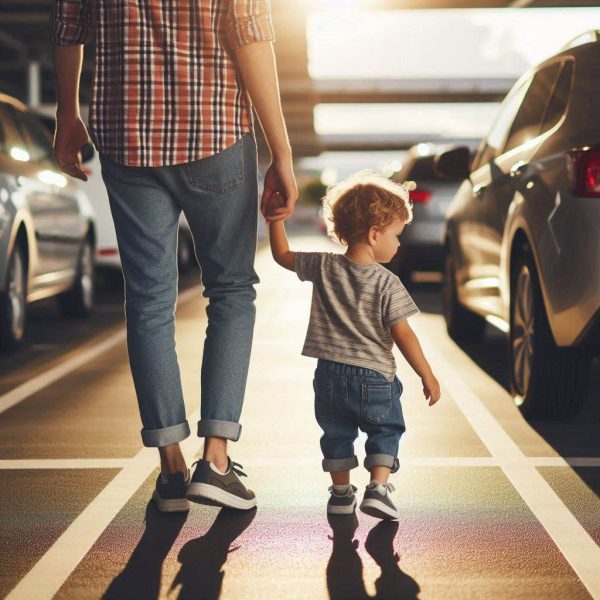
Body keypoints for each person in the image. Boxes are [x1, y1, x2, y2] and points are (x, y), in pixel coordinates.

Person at [50, 0, 297, 513]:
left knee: (148, 302)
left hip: (125, 136)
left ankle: (171, 469)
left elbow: (68, 25)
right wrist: (281, 152)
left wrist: (67, 113)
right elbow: (251, 36)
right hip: (214, 132)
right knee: (230, 290)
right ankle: (217, 460)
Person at [266, 171, 440, 520]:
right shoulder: (387, 282)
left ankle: (341, 493)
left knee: (337, 434)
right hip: (375, 377)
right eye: (396, 235)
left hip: (328, 375)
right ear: (375, 234)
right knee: (386, 428)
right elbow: (403, 334)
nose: (399, 243)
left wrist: (275, 220)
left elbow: (282, 255)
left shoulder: (324, 265)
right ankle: (378, 487)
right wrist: (427, 374)